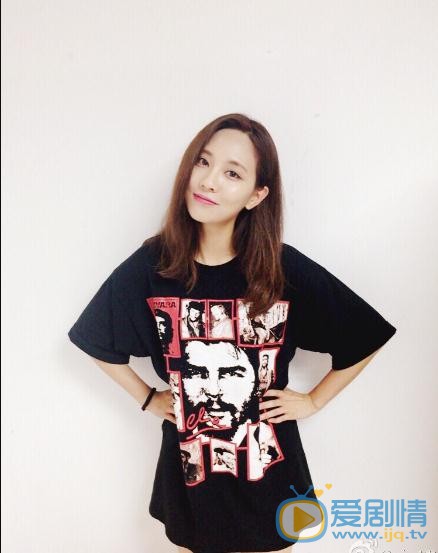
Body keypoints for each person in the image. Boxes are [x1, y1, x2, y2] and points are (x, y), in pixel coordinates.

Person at [68, 113, 397, 553]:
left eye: (232, 173)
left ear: (256, 195)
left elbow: (365, 334)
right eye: (203, 162)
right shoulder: (153, 266)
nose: (208, 181)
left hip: (269, 474)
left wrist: (314, 400)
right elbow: (95, 338)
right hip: (191, 476)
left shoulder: (281, 268)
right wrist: (147, 398)